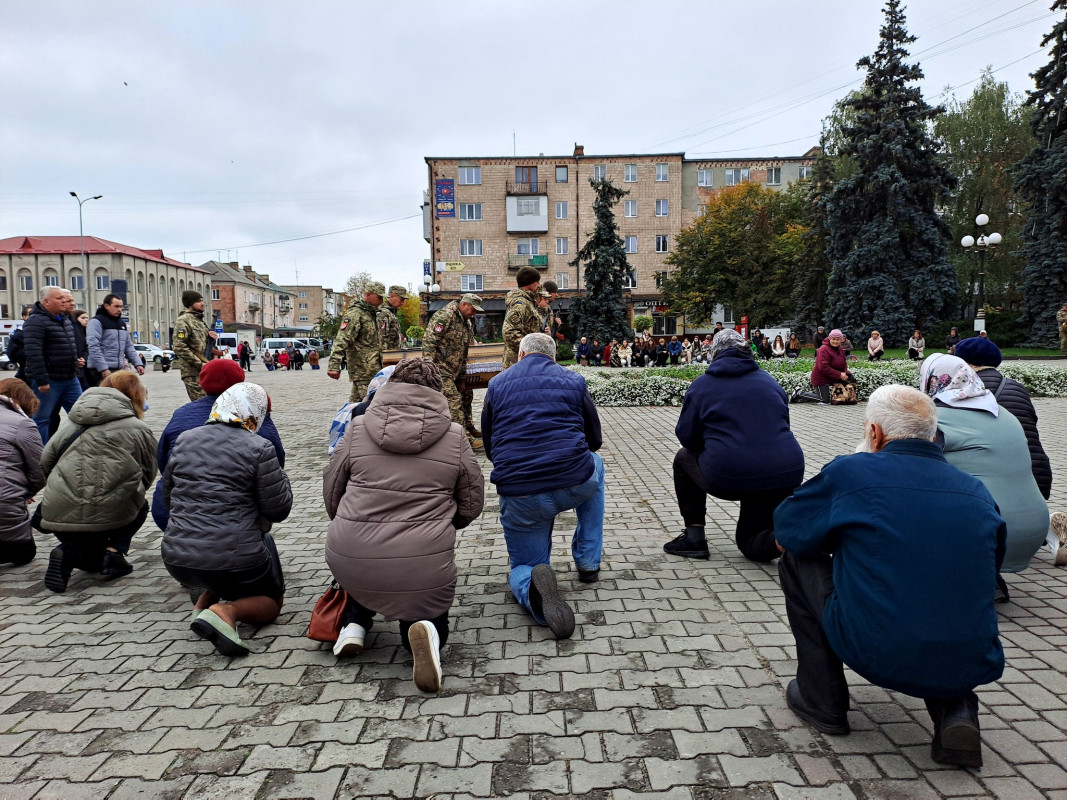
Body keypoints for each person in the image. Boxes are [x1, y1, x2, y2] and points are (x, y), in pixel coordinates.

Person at [775, 385, 1005, 768]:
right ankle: (958, 710)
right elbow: (989, 570)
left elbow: (786, 532)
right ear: (933, 437)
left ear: (875, 433)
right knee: (943, 585)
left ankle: (823, 700)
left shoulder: (853, 472)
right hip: (973, 655)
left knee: (797, 560)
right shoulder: (976, 491)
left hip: (880, 649)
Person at [324, 358, 484, 691]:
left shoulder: (356, 427)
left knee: (368, 562)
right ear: (437, 392)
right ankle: (424, 633)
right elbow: (473, 503)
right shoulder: (455, 437)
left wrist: (348, 523)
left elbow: (331, 489)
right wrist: (443, 524)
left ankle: (353, 627)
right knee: (422, 595)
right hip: (423, 560)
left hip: (349, 553)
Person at [482, 333, 604, 639]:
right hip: (573, 482)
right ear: (552, 356)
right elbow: (596, 439)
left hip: (520, 490)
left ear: (521, 355)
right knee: (595, 463)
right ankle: (588, 561)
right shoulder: (574, 380)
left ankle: (533, 590)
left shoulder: (497, 384)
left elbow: (489, 444)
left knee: (524, 564)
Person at [162, 383, 293, 657]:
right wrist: (281, 479)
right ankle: (225, 611)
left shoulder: (185, 439)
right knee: (271, 602)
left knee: (222, 543)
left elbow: (168, 499)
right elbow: (278, 510)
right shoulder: (260, 447)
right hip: (236, 561)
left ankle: (205, 602)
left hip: (177, 559)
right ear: (256, 413)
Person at [665, 329, 804, 562]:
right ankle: (790, 539)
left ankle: (694, 537)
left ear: (715, 353)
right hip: (784, 473)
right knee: (750, 543)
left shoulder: (702, 386)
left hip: (731, 475)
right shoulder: (769, 381)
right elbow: (783, 424)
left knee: (683, 459)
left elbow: (688, 439)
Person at [919, 354, 1048, 590]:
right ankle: (985, 577)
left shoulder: (937, 420)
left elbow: (909, 472)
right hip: (1033, 527)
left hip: (990, 531)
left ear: (930, 380)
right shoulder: (1002, 413)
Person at [36, 372, 157, 593]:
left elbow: (45, 461)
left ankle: (68, 551)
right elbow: (148, 474)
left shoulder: (71, 422)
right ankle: (113, 551)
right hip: (113, 514)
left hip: (59, 510)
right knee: (141, 505)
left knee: (89, 552)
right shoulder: (137, 428)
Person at [151, 359, 285, 531]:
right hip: (235, 518)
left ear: (202, 382)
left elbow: (163, 462)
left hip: (175, 512)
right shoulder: (252, 415)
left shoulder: (182, 413)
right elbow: (276, 463)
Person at [955, 337, 1052, 502]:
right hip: (1035, 474)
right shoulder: (1017, 388)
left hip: (991, 481)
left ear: (968, 364)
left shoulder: (964, 392)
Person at [423, 293, 484, 450]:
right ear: (463, 304)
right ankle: (463, 438)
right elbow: (429, 343)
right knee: (453, 400)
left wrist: (462, 377)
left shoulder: (466, 323)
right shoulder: (444, 316)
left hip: (455, 371)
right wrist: (428, 371)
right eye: (473, 309)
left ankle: (469, 426)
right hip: (439, 369)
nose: (474, 313)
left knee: (466, 395)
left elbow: (464, 352)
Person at [22, 286, 83, 443]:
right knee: (42, 419)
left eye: (64, 298)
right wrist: (42, 380)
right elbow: (33, 353)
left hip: (70, 378)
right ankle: (40, 455)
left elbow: (67, 346)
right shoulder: (35, 322)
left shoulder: (65, 319)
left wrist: (75, 362)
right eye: (59, 298)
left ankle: (80, 449)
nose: (64, 301)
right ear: (46, 302)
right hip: (49, 380)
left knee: (82, 415)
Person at [0, 379, 45, 567]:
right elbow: (41, 471)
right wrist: (25, 492)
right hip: (3, 504)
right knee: (24, 554)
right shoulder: (22, 424)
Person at [328, 282, 385, 402]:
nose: (382, 300)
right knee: (373, 405)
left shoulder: (372, 313)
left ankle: (345, 420)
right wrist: (334, 365)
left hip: (372, 370)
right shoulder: (355, 314)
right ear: (368, 295)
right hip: (363, 370)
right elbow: (342, 338)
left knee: (355, 405)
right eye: (379, 297)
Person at [86, 294, 144, 387]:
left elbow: (128, 346)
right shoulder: (96, 322)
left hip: (118, 369)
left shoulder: (121, 323)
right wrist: (103, 368)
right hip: (100, 370)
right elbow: (93, 346)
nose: (119, 309)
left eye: (121, 307)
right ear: (106, 306)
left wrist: (138, 364)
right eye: (116, 306)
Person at [174, 291, 219, 402]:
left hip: (205, 369)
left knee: (212, 404)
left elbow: (203, 345)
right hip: (193, 372)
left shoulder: (199, 321)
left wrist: (212, 340)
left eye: (203, 301)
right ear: (190, 303)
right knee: (203, 405)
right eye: (199, 301)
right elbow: (179, 346)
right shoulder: (183, 321)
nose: (202, 304)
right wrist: (200, 364)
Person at [501, 268, 543, 371]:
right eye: (537, 281)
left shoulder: (528, 302)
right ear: (530, 283)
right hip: (518, 364)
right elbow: (509, 332)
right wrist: (530, 353)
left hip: (524, 363)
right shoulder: (521, 304)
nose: (539, 285)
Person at [811, 329, 854, 404]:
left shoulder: (840, 349)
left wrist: (845, 372)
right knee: (824, 400)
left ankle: (844, 397)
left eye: (838, 339)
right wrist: (839, 374)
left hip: (833, 376)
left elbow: (843, 363)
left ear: (841, 340)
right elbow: (823, 367)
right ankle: (799, 393)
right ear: (829, 339)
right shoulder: (823, 349)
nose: (835, 341)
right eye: (833, 339)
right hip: (821, 378)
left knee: (850, 377)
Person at [5, 305, 32, 380]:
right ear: (24, 317)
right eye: (31, 314)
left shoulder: (44, 332)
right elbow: (12, 356)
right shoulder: (17, 336)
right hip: (26, 374)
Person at [378, 285, 406, 350]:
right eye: (401, 299)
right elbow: (381, 338)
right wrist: (384, 357)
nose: (402, 303)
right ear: (391, 296)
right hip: (387, 356)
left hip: (393, 354)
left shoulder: (391, 312)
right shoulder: (384, 313)